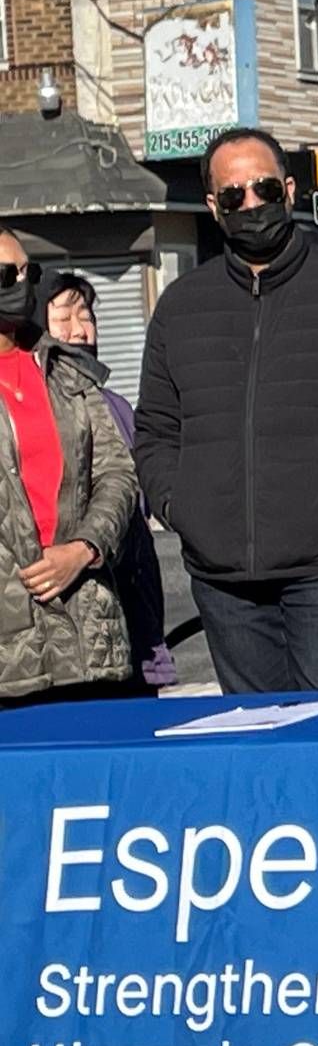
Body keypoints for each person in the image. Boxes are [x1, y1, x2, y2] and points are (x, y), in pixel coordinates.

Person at [135, 127, 318, 694]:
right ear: (213, 207)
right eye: (233, 195)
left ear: (289, 191)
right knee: (258, 737)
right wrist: (179, 504)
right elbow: (155, 429)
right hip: (223, 578)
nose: (252, 205)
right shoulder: (180, 306)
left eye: (265, 189)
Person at [0, 231, 138, 705]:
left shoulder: (65, 369)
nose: (22, 284)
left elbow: (117, 473)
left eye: (30, 272)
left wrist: (83, 549)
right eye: (7, 275)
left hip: (87, 622)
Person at [44, 272, 174, 692]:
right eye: (64, 318)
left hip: (133, 612)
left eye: (86, 316)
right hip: (68, 624)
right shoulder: (31, 410)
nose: (80, 331)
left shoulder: (115, 406)